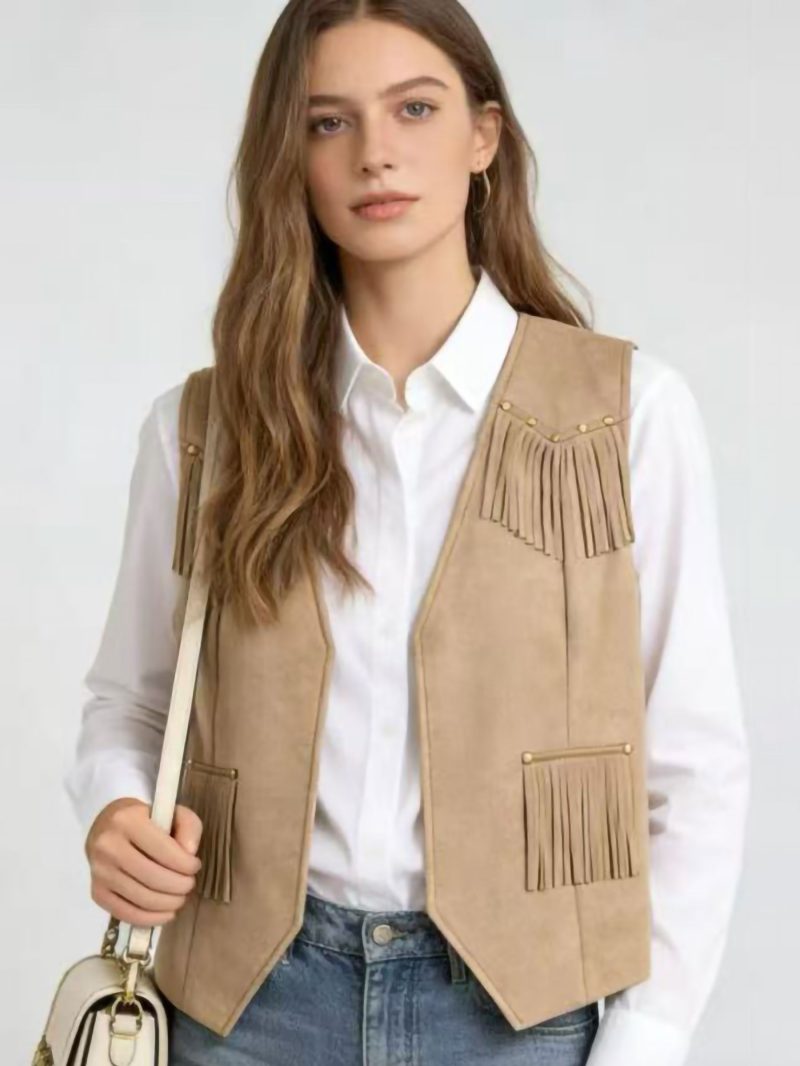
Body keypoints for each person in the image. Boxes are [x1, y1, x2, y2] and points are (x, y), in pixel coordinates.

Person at [63, 2, 750, 1064]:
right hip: (245, 1012)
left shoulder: (627, 415)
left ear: (483, 136)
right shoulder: (205, 430)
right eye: (327, 122)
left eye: (414, 109)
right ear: (289, 157)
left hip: (522, 1018)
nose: (374, 153)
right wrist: (116, 811)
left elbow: (693, 762)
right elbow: (132, 701)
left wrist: (646, 1037)